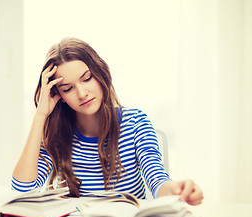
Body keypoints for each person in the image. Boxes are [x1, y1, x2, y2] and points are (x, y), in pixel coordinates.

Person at [12, 37, 203, 206]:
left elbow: (157, 180)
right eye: (68, 88)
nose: (82, 93)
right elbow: (22, 192)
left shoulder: (136, 123)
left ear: (100, 72)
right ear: (58, 94)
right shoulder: (58, 135)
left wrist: (176, 191)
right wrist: (41, 115)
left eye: (86, 78)